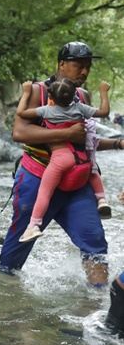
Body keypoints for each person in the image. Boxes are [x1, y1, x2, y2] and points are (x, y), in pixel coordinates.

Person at [0, 41, 119, 287]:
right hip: (36, 178)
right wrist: (65, 136)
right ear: (62, 64)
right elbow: (20, 132)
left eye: (88, 67)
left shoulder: (83, 96)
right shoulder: (37, 91)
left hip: (77, 181)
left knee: (94, 239)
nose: (84, 72)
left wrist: (118, 144)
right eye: (79, 66)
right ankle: (5, 293)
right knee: (18, 246)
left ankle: (97, 301)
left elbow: (87, 140)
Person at [16, 78, 111, 242]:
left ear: (50, 98)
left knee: (44, 192)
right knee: (93, 169)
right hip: (81, 157)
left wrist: (25, 92)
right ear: (75, 94)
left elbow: (21, 112)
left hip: (60, 158)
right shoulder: (80, 108)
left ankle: (33, 226)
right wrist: (103, 91)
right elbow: (103, 112)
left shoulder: (46, 110)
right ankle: (101, 199)